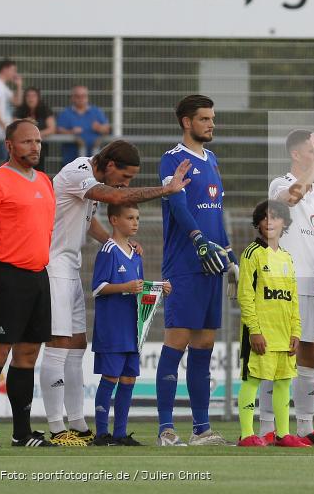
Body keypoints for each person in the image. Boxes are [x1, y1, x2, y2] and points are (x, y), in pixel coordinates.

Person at [41, 140, 190, 447]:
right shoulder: (78, 171)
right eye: (125, 177)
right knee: (58, 344)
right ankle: (56, 428)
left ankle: (78, 424)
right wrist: (165, 189)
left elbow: (89, 221)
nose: (126, 185)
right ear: (109, 166)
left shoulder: (91, 181)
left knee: (77, 345)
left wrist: (116, 241)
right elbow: (112, 196)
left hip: (69, 264)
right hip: (51, 264)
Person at [156, 95, 238, 446]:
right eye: (204, 119)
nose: (211, 124)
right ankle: (165, 429)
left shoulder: (213, 160)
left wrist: (230, 257)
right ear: (187, 122)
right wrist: (198, 239)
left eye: (212, 118)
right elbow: (176, 204)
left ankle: (201, 429)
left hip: (212, 264)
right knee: (177, 340)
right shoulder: (172, 159)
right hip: (185, 264)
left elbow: (215, 212)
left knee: (205, 342)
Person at [0, 119, 55, 447]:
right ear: (9, 146)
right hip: (5, 276)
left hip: (38, 276)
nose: (35, 147)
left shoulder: (44, 181)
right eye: (27, 142)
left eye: (38, 141)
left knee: (27, 353)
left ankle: (22, 433)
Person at [91, 203, 171, 447]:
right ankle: (102, 433)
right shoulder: (108, 251)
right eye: (129, 217)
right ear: (114, 220)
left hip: (132, 329)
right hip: (112, 328)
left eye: (137, 218)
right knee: (111, 378)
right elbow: (97, 288)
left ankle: (120, 433)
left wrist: (158, 287)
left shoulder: (135, 253)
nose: (135, 222)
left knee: (128, 380)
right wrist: (124, 288)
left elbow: (138, 287)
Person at [266, 130, 314, 444]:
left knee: (310, 357)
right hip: (286, 284)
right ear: (296, 154)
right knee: (277, 356)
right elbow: (290, 199)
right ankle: (266, 427)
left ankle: (305, 427)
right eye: (311, 149)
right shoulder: (280, 182)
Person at [236, 199, 308, 448]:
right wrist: (254, 330)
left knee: (284, 382)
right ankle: (246, 435)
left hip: (284, 333)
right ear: (258, 223)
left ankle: (283, 434)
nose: (270, 221)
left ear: (284, 223)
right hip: (260, 333)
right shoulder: (251, 254)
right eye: (265, 217)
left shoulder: (287, 258)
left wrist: (296, 331)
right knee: (252, 381)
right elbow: (245, 295)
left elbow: (293, 298)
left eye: (276, 217)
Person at [56, 86, 111, 166]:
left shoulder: (96, 112)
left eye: (83, 96)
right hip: (71, 162)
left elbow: (107, 129)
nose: (81, 99)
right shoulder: (66, 113)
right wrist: (71, 132)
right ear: (72, 98)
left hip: (95, 163)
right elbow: (58, 130)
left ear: (87, 97)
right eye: (78, 96)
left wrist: (100, 128)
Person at [0, 59, 23, 166]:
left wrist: (19, 85)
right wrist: (4, 127)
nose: (14, 73)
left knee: (5, 162)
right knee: (3, 163)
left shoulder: (2, 86)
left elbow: (17, 102)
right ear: (5, 69)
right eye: (13, 70)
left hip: (2, 131)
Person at [13, 87, 55, 172]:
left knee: (37, 174)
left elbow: (52, 128)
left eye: (33, 96)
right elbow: (14, 125)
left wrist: (33, 135)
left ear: (38, 98)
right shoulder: (20, 110)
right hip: (21, 152)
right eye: (28, 96)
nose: (31, 98)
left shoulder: (45, 109)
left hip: (39, 151)